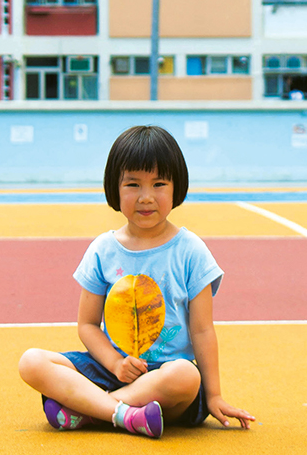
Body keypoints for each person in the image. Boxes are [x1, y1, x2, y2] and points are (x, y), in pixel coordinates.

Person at [18, 125, 255, 438]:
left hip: (166, 377)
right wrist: (116, 364)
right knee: (31, 362)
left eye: (159, 184)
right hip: (111, 369)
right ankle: (125, 415)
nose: (146, 197)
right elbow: (87, 326)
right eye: (133, 184)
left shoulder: (190, 250)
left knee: (186, 375)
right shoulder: (103, 249)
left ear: (176, 187)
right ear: (114, 188)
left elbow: (201, 329)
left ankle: (90, 410)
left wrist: (214, 396)